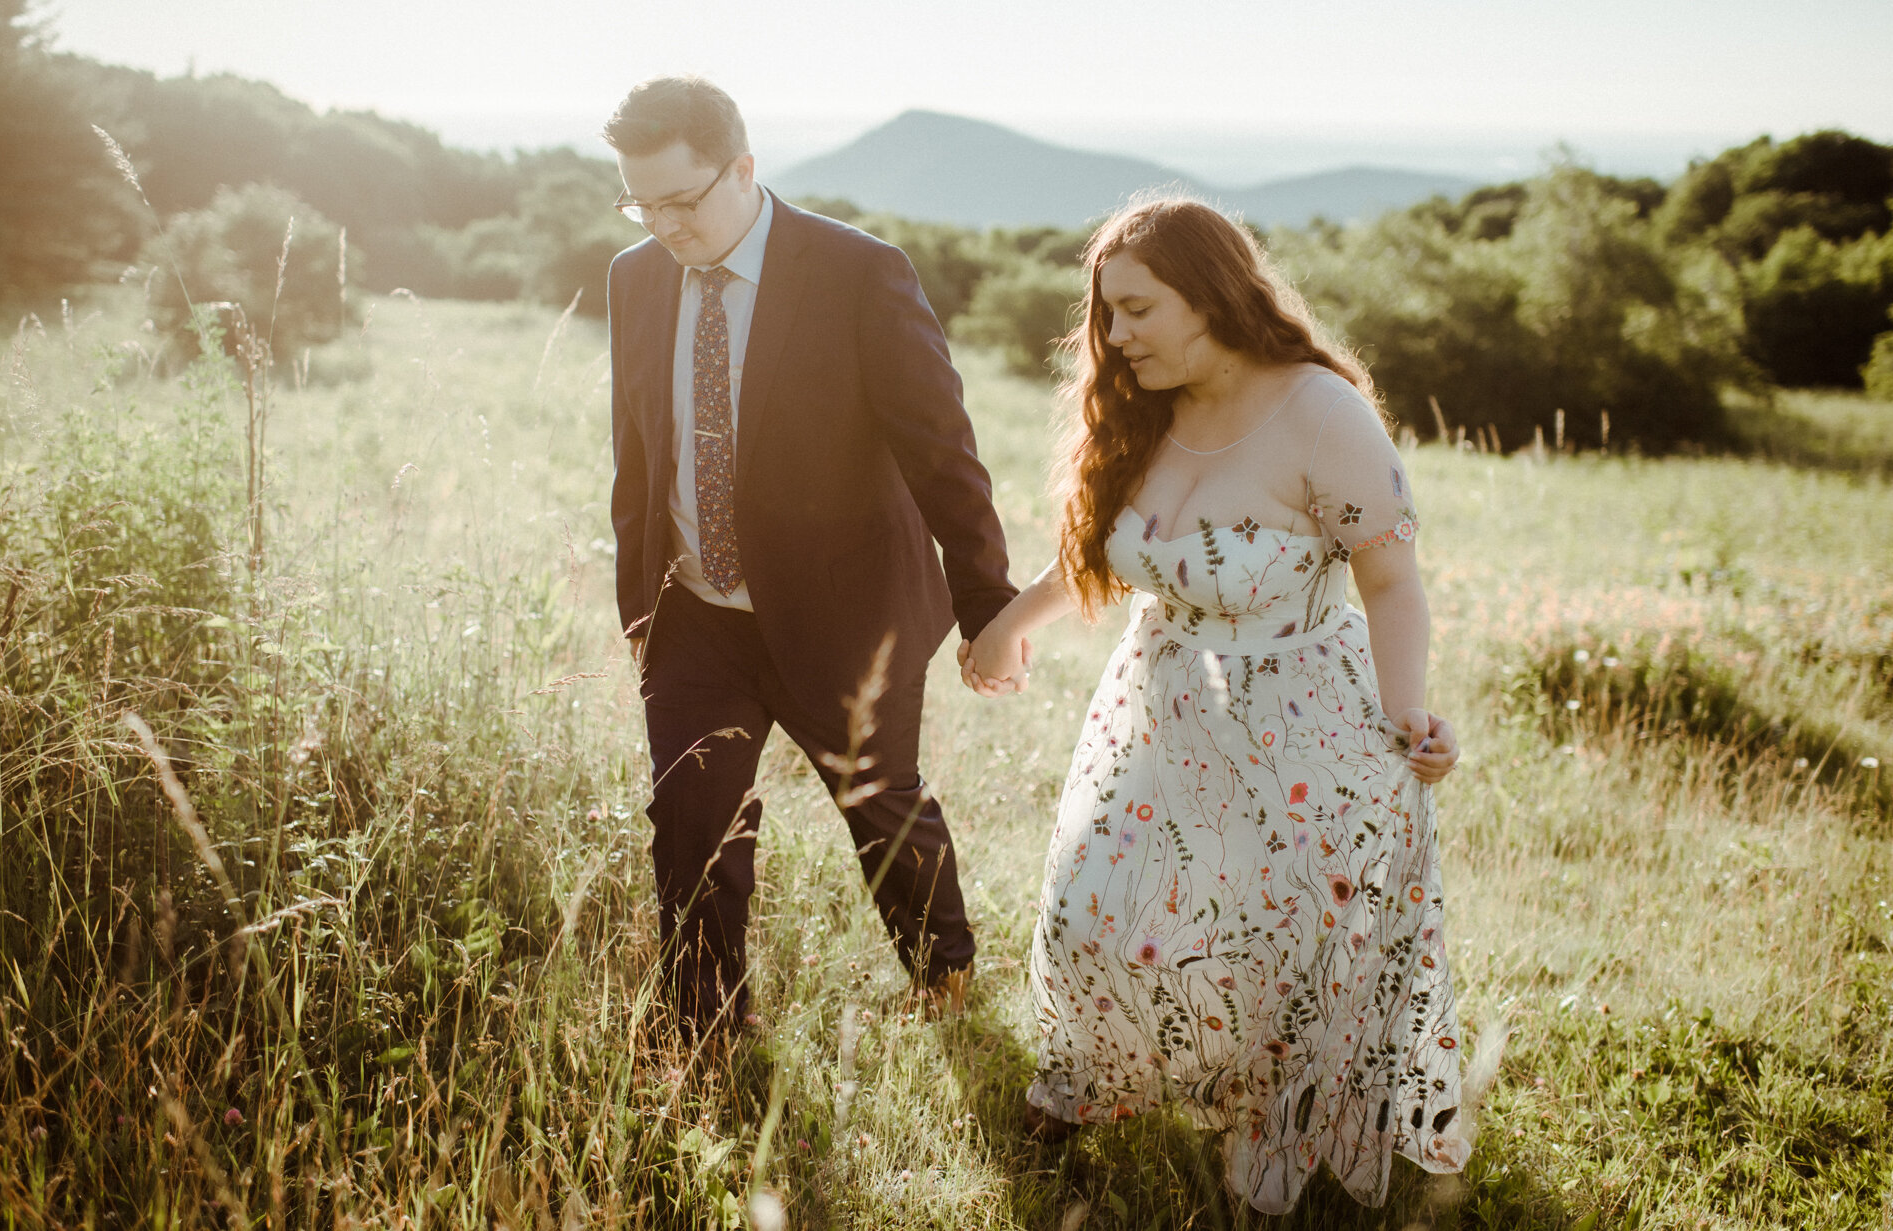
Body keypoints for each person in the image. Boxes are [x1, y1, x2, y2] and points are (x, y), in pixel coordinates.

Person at [960, 198, 1466, 1212]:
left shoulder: (1320, 411)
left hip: (1303, 721)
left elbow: (1391, 584)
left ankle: (1269, 1131)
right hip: (1157, 707)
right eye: (1106, 314)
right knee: (1091, 910)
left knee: (1273, 943)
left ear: (1212, 295)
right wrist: (1010, 622)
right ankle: (1086, 1086)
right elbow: (1101, 554)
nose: (1115, 337)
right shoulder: (1143, 408)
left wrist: (1406, 717)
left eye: (1137, 310)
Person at [603, 77, 1016, 1037]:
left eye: (683, 199)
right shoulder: (634, 277)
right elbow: (638, 450)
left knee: (881, 808)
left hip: (846, 612)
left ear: (743, 168)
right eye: (641, 202)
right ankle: (705, 1027)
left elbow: (940, 449)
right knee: (691, 824)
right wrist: (642, 613)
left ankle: (943, 977)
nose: (663, 223)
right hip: (696, 615)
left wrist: (988, 604)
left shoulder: (859, 273)